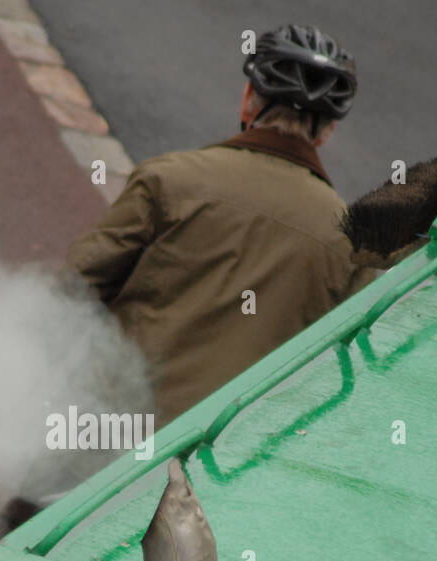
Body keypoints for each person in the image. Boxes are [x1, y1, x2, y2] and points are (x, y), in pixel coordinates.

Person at [66, 24, 377, 426]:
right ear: (328, 131)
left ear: (249, 99)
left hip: (115, 432)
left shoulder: (169, 180)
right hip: (227, 464)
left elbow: (75, 288)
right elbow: (343, 371)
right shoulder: (353, 245)